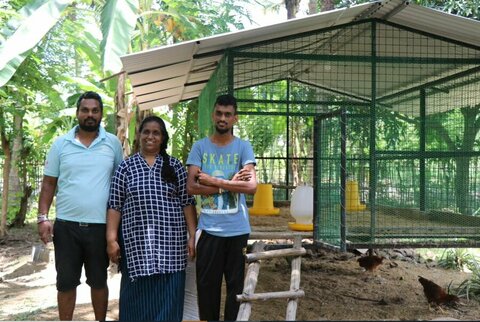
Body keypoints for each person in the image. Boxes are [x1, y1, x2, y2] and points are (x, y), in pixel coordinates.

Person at [37, 91, 123, 320]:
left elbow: (120, 183)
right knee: (65, 283)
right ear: (77, 113)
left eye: (95, 110)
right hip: (66, 226)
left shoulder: (112, 143)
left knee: (98, 281)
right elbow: (48, 184)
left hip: (100, 227)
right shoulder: (60, 144)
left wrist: (115, 232)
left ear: (102, 114)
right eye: (85, 110)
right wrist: (43, 217)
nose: (90, 114)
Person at [106, 115, 197, 321]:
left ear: (163, 138)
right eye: (146, 132)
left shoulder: (174, 166)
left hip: (171, 249)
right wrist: (111, 239)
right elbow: (114, 206)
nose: (150, 136)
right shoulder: (126, 167)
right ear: (139, 135)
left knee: (168, 303)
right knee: (135, 304)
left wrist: (193, 235)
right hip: (137, 248)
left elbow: (187, 203)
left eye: (156, 133)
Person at [186, 93, 257, 321]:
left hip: (237, 230)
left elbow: (252, 186)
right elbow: (192, 187)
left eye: (228, 114)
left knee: (235, 289)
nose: (222, 118)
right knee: (207, 289)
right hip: (208, 231)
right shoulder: (200, 147)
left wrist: (214, 181)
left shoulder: (243, 148)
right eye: (219, 113)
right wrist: (231, 184)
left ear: (235, 118)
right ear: (213, 114)